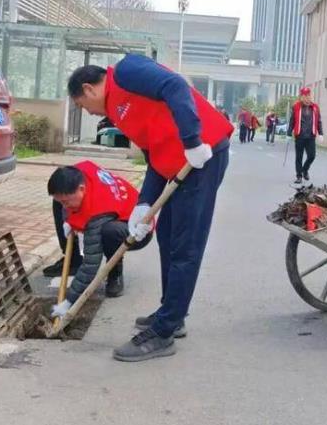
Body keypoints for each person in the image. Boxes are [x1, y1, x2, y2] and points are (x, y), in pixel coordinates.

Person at [67, 54, 232, 361]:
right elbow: (153, 155)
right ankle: (172, 312)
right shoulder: (118, 113)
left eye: (82, 105)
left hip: (203, 157)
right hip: (179, 166)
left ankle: (164, 332)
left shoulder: (126, 72)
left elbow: (175, 87)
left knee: (185, 246)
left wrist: (192, 141)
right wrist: (143, 203)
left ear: (88, 88)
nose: (87, 112)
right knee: (167, 238)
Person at [46, 162, 149, 301]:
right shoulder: (78, 172)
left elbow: (91, 264)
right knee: (60, 200)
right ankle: (73, 261)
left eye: (66, 202)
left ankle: (114, 272)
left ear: (81, 189)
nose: (65, 206)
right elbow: (64, 196)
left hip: (138, 230)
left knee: (109, 232)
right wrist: (68, 219)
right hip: (114, 213)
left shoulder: (98, 210)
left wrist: (69, 301)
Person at [288, 87, 323, 184]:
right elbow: (292, 120)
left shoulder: (315, 107)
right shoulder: (296, 107)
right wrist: (289, 133)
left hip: (311, 136)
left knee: (312, 156)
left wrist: (321, 133)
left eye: (308, 95)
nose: (307, 98)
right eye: (304, 96)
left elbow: (319, 121)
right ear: (301, 97)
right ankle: (299, 176)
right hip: (300, 135)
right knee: (299, 157)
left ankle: (305, 169)